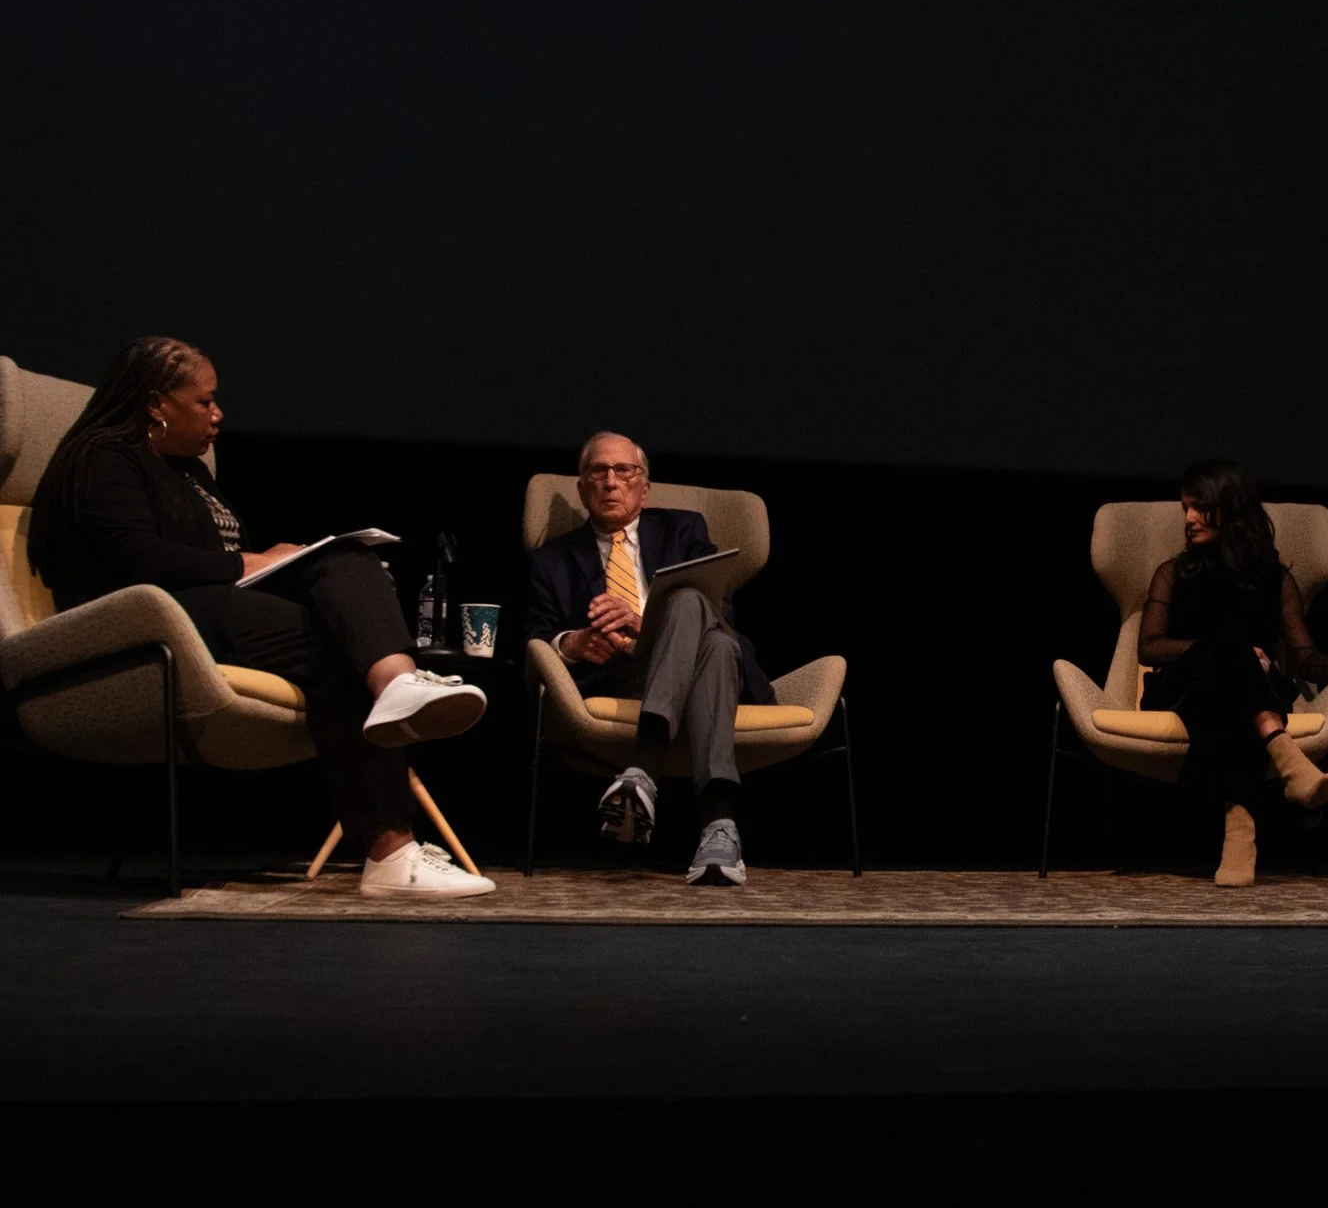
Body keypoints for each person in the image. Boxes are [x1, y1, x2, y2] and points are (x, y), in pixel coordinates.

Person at [26, 337, 494, 897]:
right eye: (205, 402)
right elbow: (138, 559)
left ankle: (397, 682)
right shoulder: (104, 458)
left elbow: (221, 564)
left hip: (208, 611)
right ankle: (390, 852)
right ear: (155, 404)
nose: (218, 413)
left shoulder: (189, 472)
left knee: (346, 556)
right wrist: (252, 560)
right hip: (139, 626)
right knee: (333, 649)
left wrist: (292, 565)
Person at [525, 432, 775, 884]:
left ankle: (643, 769)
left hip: (695, 666)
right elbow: (537, 638)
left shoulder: (685, 529)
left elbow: (721, 609)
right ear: (582, 489)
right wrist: (574, 643)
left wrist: (644, 621)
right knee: (715, 649)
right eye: (597, 472)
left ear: (645, 488)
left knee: (692, 609)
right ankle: (720, 827)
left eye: (625, 471)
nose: (610, 482)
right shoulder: (553, 560)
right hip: (620, 675)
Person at [1137, 460, 1328, 887]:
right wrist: (1225, 651)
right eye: (1184, 510)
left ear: (1231, 509)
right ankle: (1279, 778)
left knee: (1237, 688)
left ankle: (1241, 830)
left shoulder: (1274, 578)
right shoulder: (1172, 573)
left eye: (1199, 508)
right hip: (1184, 689)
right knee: (1231, 651)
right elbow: (1149, 647)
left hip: (1247, 693)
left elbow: (1304, 657)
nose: (1188, 519)